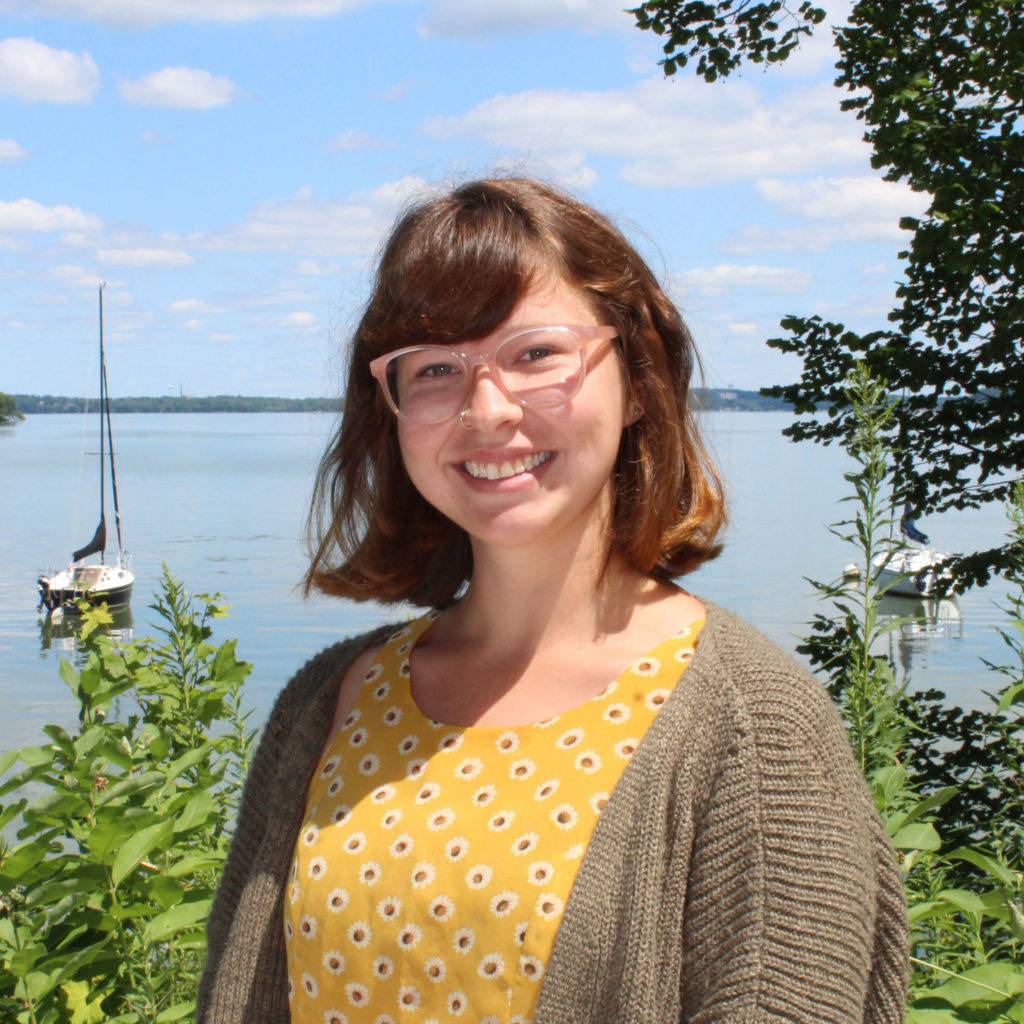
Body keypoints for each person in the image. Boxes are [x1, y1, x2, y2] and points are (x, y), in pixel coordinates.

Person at [198, 178, 908, 1024]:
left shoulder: (754, 729)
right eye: (435, 369)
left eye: (536, 353)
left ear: (639, 379)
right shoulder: (331, 699)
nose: (487, 409)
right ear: (390, 411)